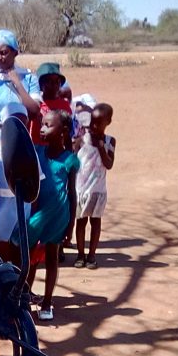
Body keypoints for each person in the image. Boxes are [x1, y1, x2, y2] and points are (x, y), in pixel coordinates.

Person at [25, 110, 79, 322]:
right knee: (29, 258)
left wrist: (71, 225)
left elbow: (72, 193)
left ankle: (47, 301)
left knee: (51, 257)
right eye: (42, 125)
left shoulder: (70, 160)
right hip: (37, 212)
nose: (42, 129)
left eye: (48, 125)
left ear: (63, 131)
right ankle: (25, 297)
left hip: (58, 214)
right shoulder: (37, 152)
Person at [74, 103, 116, 270]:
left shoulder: (109, 141)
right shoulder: (80, 141)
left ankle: (91, 255)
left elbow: (109, 164)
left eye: (99, 123)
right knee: (81, 223)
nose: (94, 126)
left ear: (108, 122)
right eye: (92, 122)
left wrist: (101, 148)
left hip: (98, 191)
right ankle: (80, 254)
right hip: (81, 190)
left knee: (96, 223)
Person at [0, 29, 40, 123]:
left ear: (15, 53)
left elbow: (34, 111)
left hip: (19, 135)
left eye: (3, 53)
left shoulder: (29, 79)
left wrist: (17, 83)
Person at [31, 63, 72, 146]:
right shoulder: (35, 105)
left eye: (57, 81)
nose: (54, 84)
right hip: (36, 148)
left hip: (57, 149)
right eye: (49, 81)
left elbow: (68, 133)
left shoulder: (64, 105)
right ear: (40, 84)